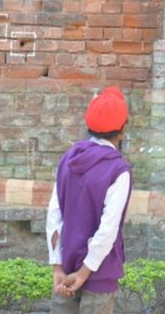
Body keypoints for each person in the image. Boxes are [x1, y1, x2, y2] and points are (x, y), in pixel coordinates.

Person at [46, 87, 132, 314]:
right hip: (99, 274)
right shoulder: (118, 170)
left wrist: (57, 266)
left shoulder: (68, 159)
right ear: (122, 130)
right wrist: (84, 273)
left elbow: (54, 215)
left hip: (66, 269)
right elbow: (107, 230)